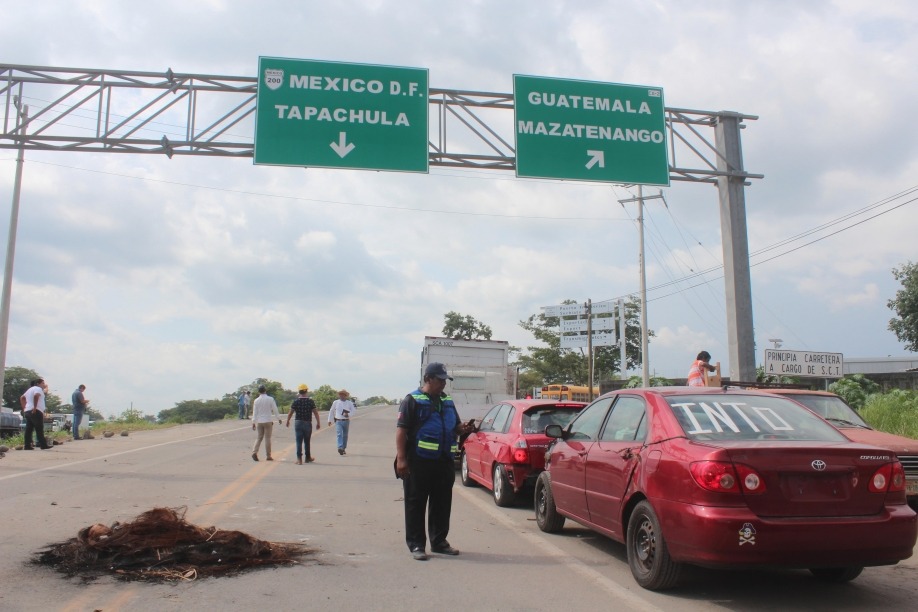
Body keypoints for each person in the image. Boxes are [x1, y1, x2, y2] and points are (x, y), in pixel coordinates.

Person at [396, 362, 473, 561]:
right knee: (415, 503)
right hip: (418, 460)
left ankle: (439, 542)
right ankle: (416, 545)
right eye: (440, 380)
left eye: (445, 380)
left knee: (442, 503)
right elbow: (401, 431)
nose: (443, 384)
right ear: (428, 378)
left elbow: (454, 426)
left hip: (444, 461)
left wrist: (462, 428)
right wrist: (402, 459)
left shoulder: (446, 401)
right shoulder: (411, 400)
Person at [286, 384, 320, 464]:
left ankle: (299, 459)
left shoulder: (296, 401)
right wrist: (318, 422)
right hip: (307, 422)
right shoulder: (310, 401)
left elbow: (290, 412)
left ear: (299, 392)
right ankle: (307, 457)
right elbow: (315, 413)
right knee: (307, 441)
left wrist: (288, 420)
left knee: (298, 441)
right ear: (306, 391)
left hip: (298, 422)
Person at [251, 385, 281, 461]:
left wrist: (253, 422)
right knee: (267, 438)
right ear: (265, 390)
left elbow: (255, 412)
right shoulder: (270, 399)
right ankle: (268, 456)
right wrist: (279, 418)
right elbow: (275, 409)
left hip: (260, 421)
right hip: (268, 420)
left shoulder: (256, 400)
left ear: (259, 391)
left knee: (259, 438)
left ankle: (254, 452)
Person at [22, 378, 52, 450]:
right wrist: (35, 407)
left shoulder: (30, 389)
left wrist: (24, 408)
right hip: (36, 411)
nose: (44, 385)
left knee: (29, 429)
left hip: (28, 410)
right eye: (43, 383)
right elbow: (36, 396)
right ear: (38, 384)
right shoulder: (38, 389)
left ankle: (27, 445)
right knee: (39, 428)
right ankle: (43, 445)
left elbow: (22, 397)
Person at [328, 389, 355, 455]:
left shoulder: (349, 403)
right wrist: (329, 420)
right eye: (340, 394)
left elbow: (353, 411)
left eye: (343, 394)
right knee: (339, 434)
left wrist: (348, 414)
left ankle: (343, 448)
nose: (342, 396)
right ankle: (340, 447)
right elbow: (331, 410)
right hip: (338, 420)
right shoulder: (336, 402)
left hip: (346, 421)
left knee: (345, 435)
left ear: (345, 395)